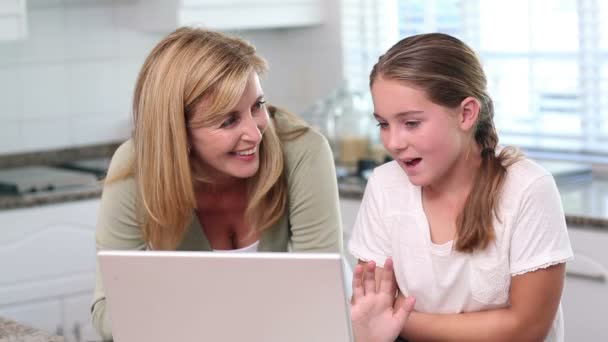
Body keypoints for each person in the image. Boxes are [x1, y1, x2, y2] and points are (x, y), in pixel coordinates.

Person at [90, 27, 344, 340]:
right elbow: (106, 312)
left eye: (257, 106)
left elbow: (321, 297)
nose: (255, 132)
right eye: (228, 120)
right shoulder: (136, 169)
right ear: (178, 133)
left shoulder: (303, 152)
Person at [348, 33, 573, 342]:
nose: (393, 143)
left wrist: (399, 319)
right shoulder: (385, 185)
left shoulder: (528, 189)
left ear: (466, 114)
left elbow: (526, 329)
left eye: (411, 123)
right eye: (383, 124)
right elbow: (372, 306)